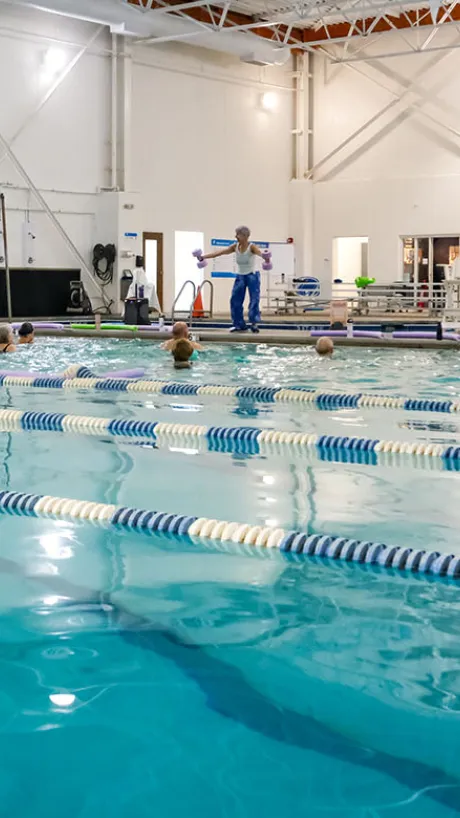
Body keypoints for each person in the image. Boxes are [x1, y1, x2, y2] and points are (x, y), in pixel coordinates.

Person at [200, 226, 264, 333]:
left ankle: (254, 323)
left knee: (254, 299)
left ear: (245, 236)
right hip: (240, 275)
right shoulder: (235, 246)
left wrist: (266, 257)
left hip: (252, 275)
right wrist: (204, 257)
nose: (236, 236)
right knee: (235, 300)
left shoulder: (252, 247)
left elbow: (261, 254)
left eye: (238, 234)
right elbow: (220, 252)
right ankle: (239, 324)